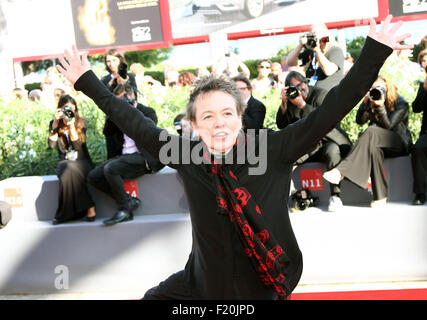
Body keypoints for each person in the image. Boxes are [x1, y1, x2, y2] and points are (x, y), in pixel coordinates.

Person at [57, 15, 411, 299]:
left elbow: (331, 109)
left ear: (241, 118)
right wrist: (85, 80)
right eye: (207, 117)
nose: (219, 124)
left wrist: (374, 52)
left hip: (265, 284)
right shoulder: (186, 153)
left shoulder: (272, 148)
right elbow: (132, 120)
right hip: (203, 285)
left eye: (227, 113)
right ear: (193, 125)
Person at [323, 75, 413, 208]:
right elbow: (359, 121)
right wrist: (365, 104)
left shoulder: (401, 103)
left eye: (379, 87)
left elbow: (389, 127)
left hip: (398, 142)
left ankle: (340, 172)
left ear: (387, 87)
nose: (376, 90)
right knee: (373, 149)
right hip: (377, 142)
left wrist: (380, 107)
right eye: (372, 87)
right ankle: (380, 196)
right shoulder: (371, 100)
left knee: (371, 131)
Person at [87, 84, 164, 226]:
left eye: (121, 100)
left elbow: (149, 133)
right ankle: (129, 201)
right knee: (93, 177)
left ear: (131, 96)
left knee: (111, 169)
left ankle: (125, 210)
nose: (118, 104)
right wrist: (112, 113)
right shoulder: (117, 114)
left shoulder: (147, 112)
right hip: (123, 156)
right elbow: (107, 132)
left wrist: (129, 112)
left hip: (143, 157)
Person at [276, 71, 351, 212]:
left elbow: (324, 120)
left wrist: (303, 105)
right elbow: (281, 125)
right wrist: (284, 104)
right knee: (286, 154)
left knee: (333, 150)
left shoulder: (320, 94)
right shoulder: (291, 100)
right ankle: (288, 193)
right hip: (307, 145)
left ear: (305, 83)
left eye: (299, 85)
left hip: (326, 142)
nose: (298, 90)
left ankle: (335, 196)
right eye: (292, 87)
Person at [48, 94, 96, 225]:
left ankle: (65, 214)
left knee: (70, 169)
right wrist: (56, 124)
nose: (68, 113)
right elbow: (51, 145)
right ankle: (89, 205)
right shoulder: (55, 124)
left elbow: (77, 146)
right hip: (64, 162)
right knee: (67, 168)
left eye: (71, 110)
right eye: (65, 109)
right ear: (60, 109)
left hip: (82, 162)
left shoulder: (81, 122)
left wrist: (71, 126)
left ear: (75, 110)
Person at [286, 23, 345, 92]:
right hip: (313, 97)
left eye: (324, 39)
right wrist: (300, 45)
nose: (321, 43)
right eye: (317, 40)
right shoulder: (310, 52)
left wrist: (317, 50)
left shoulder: (335, 51)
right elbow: (290, 62)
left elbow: (329, 71)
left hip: (330, 96)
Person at [410, 64, 427, 205]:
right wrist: (425, 89)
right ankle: (420, 193)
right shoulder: (424, 86)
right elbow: (416, 108)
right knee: (417, 148)